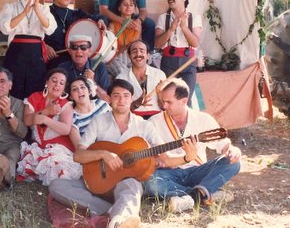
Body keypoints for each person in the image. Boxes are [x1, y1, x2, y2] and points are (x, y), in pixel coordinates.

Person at [49, 79, 173, 228]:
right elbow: (78, 156)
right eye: (116, 95)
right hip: (97, 182)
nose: (121, 100)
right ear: (108, 99)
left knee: (131, 185)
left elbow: (164, 154)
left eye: (126, 96)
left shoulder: (145, 126)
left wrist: (186, 157)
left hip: (125, 183)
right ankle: (107, 209)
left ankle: (118, 221)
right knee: (56, 185)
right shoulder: (98, 121)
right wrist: (103, 154)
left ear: (132, 98)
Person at [144, 78, 241, 212]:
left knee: (234, 163)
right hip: (169, 174)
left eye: (168, 102)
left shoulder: (203, 119)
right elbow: (146, 151)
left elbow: (223, 144)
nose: (164, 106)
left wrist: (232, 150)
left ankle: (188, 197)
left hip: (197, 171)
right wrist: (155, 160)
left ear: (184, 100)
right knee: (152, 183)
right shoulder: (154, 122)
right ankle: (205, 194)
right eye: (162, 101)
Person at [0, 0, 57, 99]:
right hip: (16, 53)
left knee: (35, 90)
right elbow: (5, 28)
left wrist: (37, 10)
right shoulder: (10, 7)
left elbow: (50, 28)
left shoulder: (43, 8)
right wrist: (24, 13)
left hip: (36, 54)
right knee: (14, 89)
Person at [17, 68, 82, 186]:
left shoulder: (65, 104)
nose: (57, 85)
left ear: (64, 88)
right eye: (54, 81)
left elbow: (66, 129)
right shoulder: (34, 98)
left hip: (59, 147)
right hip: (39, 147)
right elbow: (27, 120)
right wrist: (47, 111)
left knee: (58, 170)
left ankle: (61, 192)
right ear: (46, 82)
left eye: (61, 83)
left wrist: (45, 119)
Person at [45, 0, 107, 69]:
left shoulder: (77, 14)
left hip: (73, 63)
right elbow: (32, 34)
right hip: (51, 61)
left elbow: (98, 17)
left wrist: (101, 20)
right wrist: (44, 46)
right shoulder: (44, 12)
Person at [155, 0, 202, 106]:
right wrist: (171, 29)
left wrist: (184, 28)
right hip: (168, 62)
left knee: (186, 99)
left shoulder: (194, 17)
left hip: (188, 62)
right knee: (167, 99)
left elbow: (195, 43)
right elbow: (158, 44)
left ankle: (186, 124)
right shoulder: (163, 18)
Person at [116, 39, 166, 119]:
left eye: (142, 51)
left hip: (157, 119)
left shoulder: (159, 75)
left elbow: (165, 107)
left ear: (148, 55)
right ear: (129, 56)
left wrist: (159, 95)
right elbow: (120, 109)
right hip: (132, 120)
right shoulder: (121, 78)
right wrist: (137, 103)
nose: (138, 54)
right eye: (134, 51)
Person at [58, 35, 110, 101]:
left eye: (83, 47)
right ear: (70, 51)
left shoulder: (99, 66)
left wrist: (93, 82)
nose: (79, 51)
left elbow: (107, 99)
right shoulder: (62, 68)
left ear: (89, 51)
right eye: (74, 47)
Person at [67, 77, 110, 148]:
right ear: (71, 96)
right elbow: (80, 151)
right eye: (74, 89)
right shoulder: (72, 118)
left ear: (89, 91)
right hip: (96, 154)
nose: (79, 90)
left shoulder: (102, 104)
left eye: (82, 87)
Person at [107, 0, 142, 77]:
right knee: (124, 74)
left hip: (131, 57)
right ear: (119, 8)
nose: (128, 7)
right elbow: (110, 49)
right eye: (125, 4)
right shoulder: (112, 25)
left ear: (134, 9)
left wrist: (138, 33)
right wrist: (127, 46)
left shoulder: (137, 25)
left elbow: (139, 46)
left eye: (131, 5)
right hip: (115, 57)